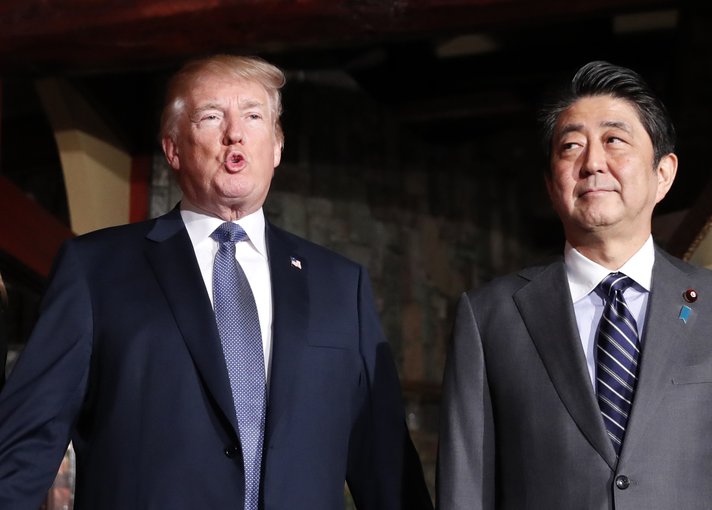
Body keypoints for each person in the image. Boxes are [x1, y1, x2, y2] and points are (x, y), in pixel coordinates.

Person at [0, 54, 431, 510]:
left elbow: (386, 466)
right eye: (211, 117)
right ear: (173, 149)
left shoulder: (342, 286)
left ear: (277, 146)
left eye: (253, 115)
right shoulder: (95, 270)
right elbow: (25, 444)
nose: (235, 132)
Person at [437, 61, 712, 509]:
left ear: (663, 173)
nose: (592, 163)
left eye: (614, 141)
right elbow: (465, 488)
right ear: (552, 185)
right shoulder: (490, 316)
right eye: (571, 146)